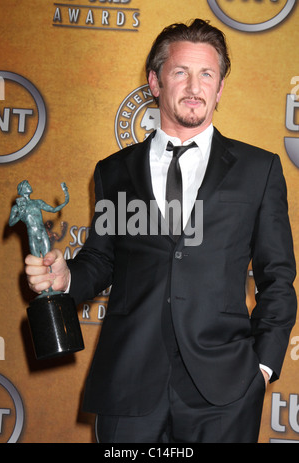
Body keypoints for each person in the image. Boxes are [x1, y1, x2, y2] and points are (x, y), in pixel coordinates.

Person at [25, 19, 297, 443]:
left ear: (220, 87)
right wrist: (66, 279)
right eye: (180, 72)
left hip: (224, 389)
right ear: (155, 81)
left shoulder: (257, 170)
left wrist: (261, 368)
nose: (195, 86)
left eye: (207, 74)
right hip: (130, 382)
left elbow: (278, 278)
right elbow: (100, 261)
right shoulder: (114, 171)